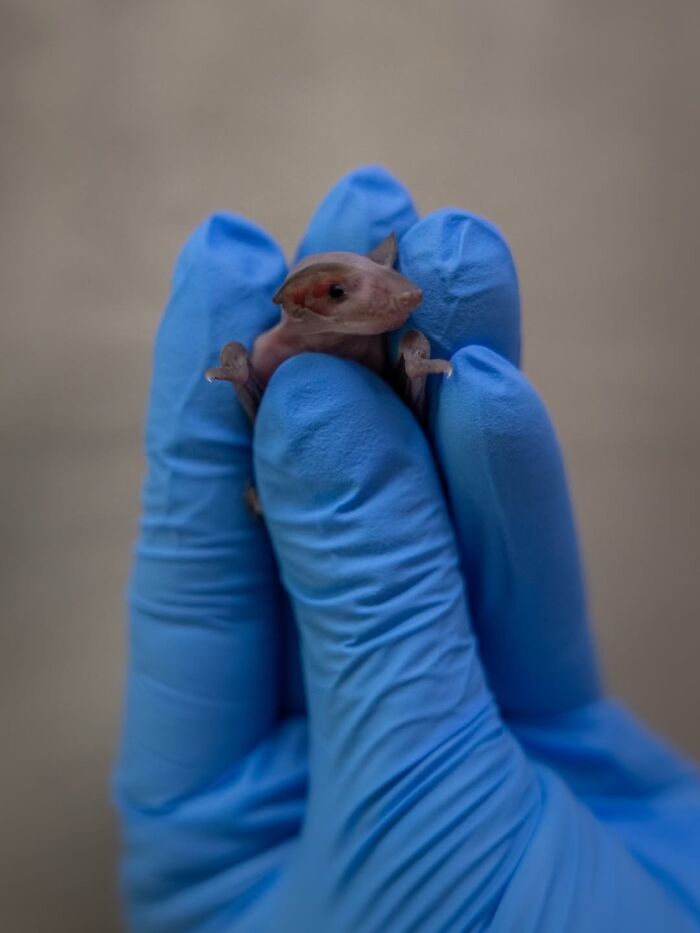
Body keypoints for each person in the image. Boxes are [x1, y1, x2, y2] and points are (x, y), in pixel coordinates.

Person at [114, 166, 700, 932]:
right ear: (303, 303)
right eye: (349, 292)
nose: (392, 294)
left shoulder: (373, 333)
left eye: (383, 276)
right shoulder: (268, 353)